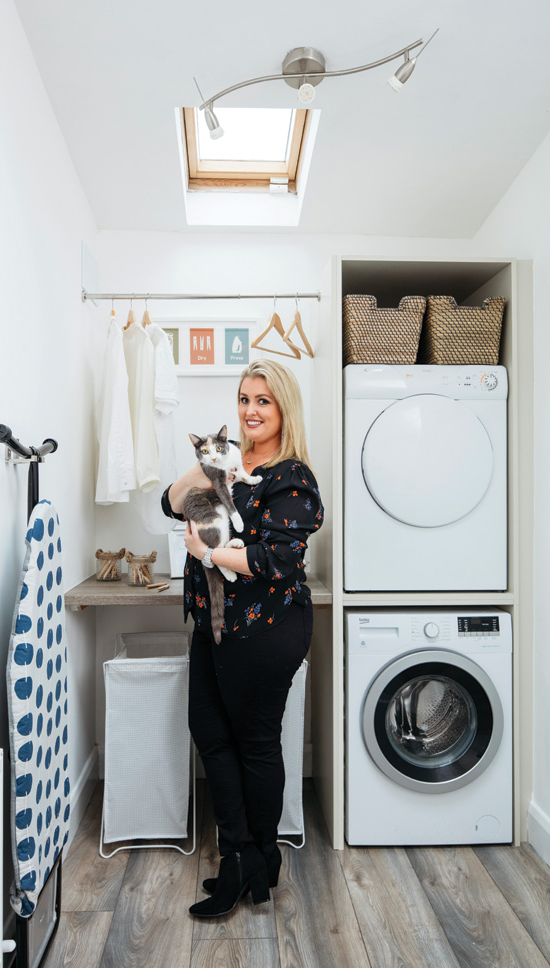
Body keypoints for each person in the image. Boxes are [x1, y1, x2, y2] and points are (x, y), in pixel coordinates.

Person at [161, 358, 323, 918]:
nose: (251, 410)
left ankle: (255, 857)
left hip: (266, 629)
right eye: (244, 399)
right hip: (216, 623)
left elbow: (276, 559)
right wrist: (204, 466)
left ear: (283, 410)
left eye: (264, 401)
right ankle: (241, 857)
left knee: (254, 745)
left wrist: (206, 553)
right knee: (209, 732)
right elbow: (171, 502)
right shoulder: (231, 463)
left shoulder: (291, 475)